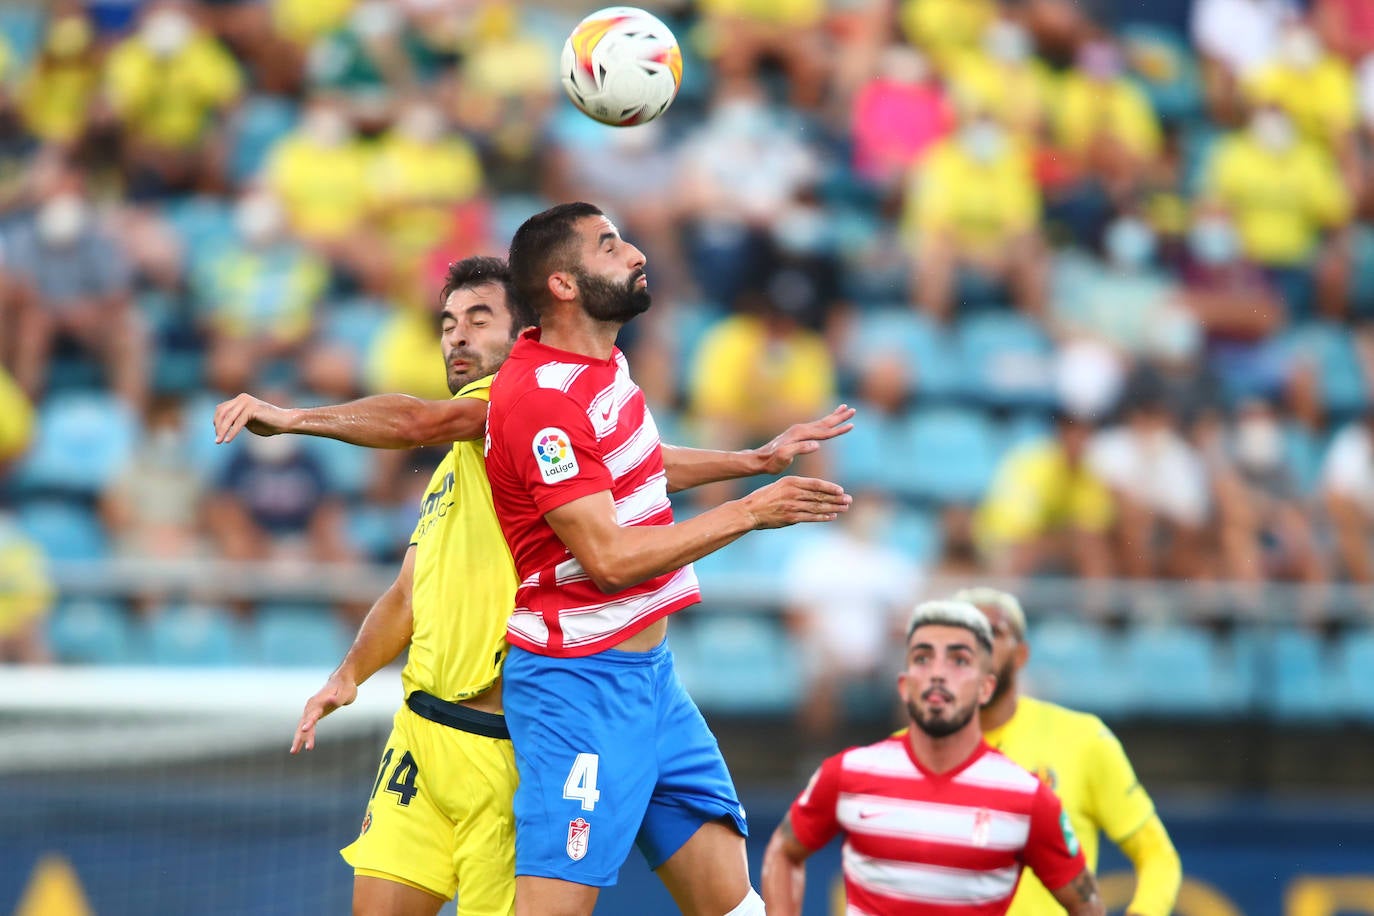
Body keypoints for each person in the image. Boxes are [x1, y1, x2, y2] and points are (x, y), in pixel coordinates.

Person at [212, 250, 855, 914]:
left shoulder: (517, 402)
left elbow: (416, 422)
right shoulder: (460, 468)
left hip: (508, 742)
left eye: (479, 318)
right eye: (448, 321)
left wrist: (292, 418)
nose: (458, 335)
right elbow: (409, 591)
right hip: (421, 736)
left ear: (524, 331)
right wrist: (347, 675)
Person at [484, 202, 852, 916]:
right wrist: (750, 510)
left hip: (651, 682)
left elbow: (634, 466)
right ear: (563, 285)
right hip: (579, 690)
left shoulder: (599, 366)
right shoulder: (540, 400)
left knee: (735, 907)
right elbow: (610, 559)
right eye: (609, 245)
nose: (634, 253)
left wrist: (752, 459)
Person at [761, 599, 1104, 916]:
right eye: (923, 658)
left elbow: (1086, 905)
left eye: (959, 660)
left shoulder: (1028, 798)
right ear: (904, 685)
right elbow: (784, 851)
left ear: (986, 687)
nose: (938, 673)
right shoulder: (847, 773)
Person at [953, 587, 1182, 916]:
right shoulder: (906, 754)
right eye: (964, 634)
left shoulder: (1082, 738)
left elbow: (1157, 855)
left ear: (1020, 655)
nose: (977, 644)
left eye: (993, 632)